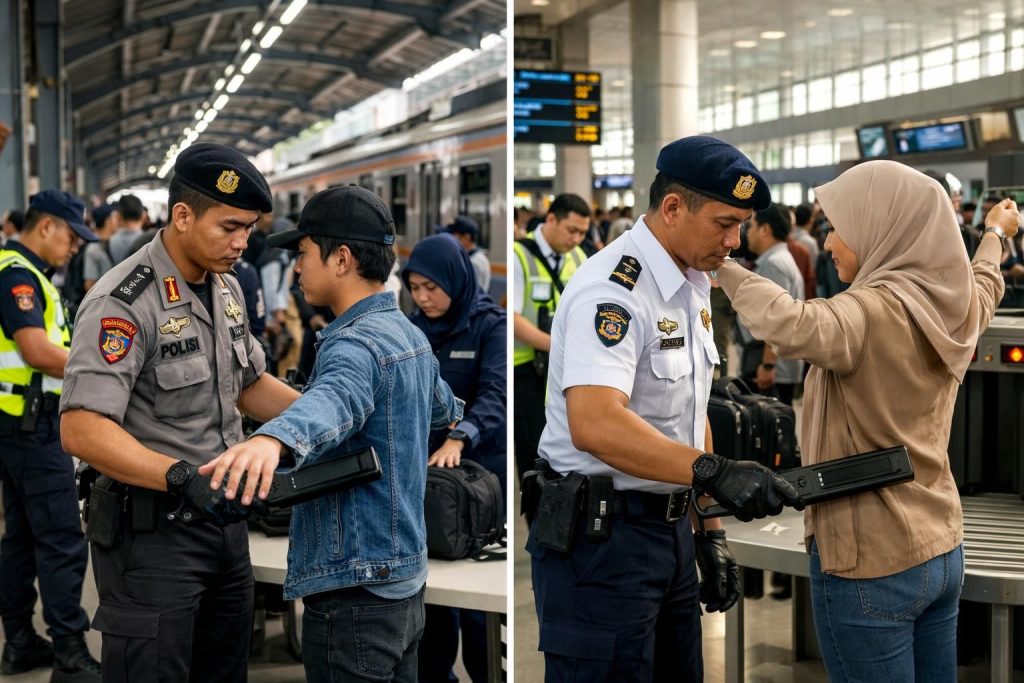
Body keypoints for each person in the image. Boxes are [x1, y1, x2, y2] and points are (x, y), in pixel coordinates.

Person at [716, 160, 1014, 681]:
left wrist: (721, 265)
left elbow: (790, 323)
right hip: (941, 546)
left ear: (883, 229)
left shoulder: (870, 313)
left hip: (871, 562)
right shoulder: (958, 306)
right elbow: (986, 279)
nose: (829, 243)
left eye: (840, 228)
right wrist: (993, 233)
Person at [525, 136, 804, 682]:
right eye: (724, 223)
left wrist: (711, 530)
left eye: (742, 224)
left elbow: (688, 412)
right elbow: (595, 422)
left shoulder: (690, 282)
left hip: (670, 533)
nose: (735, 240)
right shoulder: (614, 289)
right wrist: (714, 472)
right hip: (600, 544)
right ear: (673, 208)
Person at [199, 185, 464, 683]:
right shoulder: (408, 334)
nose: (297, 268)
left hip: (354, 592)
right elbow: (443, 410)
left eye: (302, 254)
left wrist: (270, 440)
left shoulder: (352, 345)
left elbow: (335, 399)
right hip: (405, 581)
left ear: (340, 259)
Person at [59, 143, 301, 682]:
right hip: (153, 539)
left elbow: (250, 384)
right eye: (230, 227)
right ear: (183, 215)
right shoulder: (123, 302)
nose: (243, 243)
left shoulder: (227, 289)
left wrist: (325, 415)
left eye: (249, 228)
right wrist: (180, 477)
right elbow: (80, 427)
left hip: (224, 529)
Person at [0, 190, 101, 681]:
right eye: (71, 235)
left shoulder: (22, 269)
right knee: (61, 536)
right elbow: (36, 349)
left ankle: (20, 642)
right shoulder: (18, 274)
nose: (75, 247)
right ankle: (70, 649)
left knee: (21, 538)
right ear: (46, 227)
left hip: (15, 420)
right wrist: (103, 367)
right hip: (31, 426)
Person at [402, 233, 506, 683]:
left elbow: (495, 395)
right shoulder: (410, 328)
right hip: (425, 480)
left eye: (432, 288)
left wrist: (460, 437)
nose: (423, 298)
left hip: (478, 475)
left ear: (456, 280)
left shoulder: (489, 325)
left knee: (480, 609)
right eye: (415, 288)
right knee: (433, 601)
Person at [512, 193, 589, 483]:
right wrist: (558, 347)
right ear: (551, 219)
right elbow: (514, 318)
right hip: (526, 371)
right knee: (533, 453)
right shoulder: (518, 254)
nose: (576, 239)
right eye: (572, 231)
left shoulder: (579, 258)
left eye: (582, 233)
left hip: (561, 371)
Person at [737, 204, 805, 401]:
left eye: (752, 226)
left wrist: (768, 365)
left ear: (765, 230)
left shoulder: (774, 264)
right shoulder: (780, 258)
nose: (747, 233)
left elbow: (774, 320)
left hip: (771, 367)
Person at [444, 215, 492, 294]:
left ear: (467, 237)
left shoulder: (474, 262)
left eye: (454, 235)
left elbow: (470, 293)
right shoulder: (472, 258)